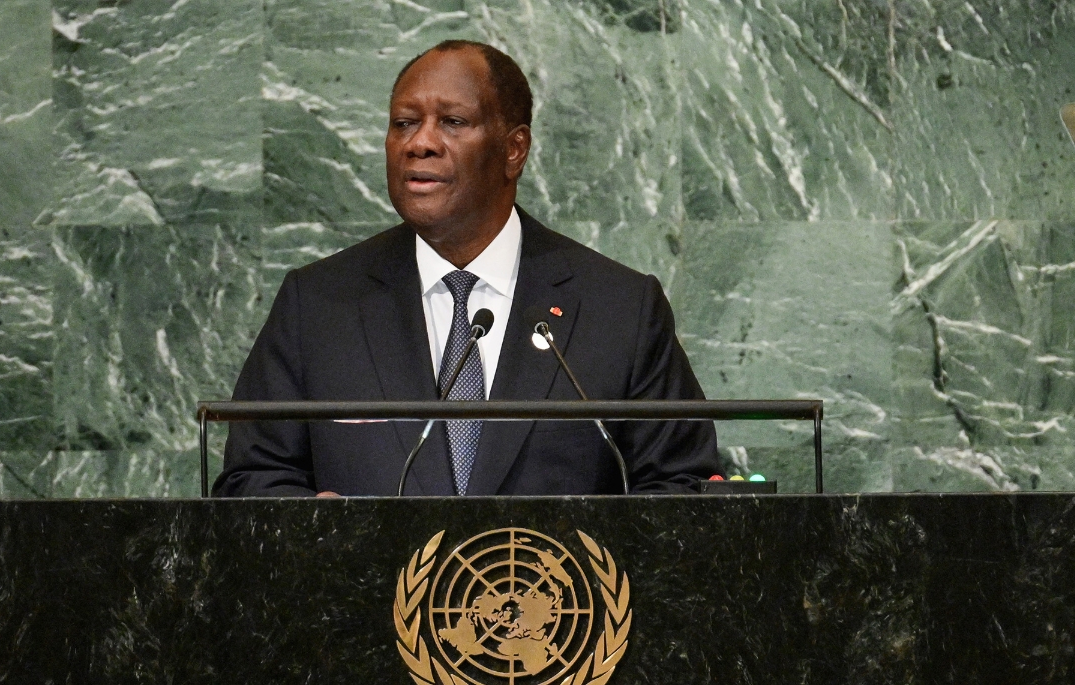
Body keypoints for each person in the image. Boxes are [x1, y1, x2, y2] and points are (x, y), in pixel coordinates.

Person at [212, 40, 721, 497]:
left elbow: (680, 486)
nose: (420, 143)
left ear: (514, 149)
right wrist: (317, 532)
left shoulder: (620, 309)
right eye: (404, 123)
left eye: (452, 122)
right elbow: (250, 477)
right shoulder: (318, 305)